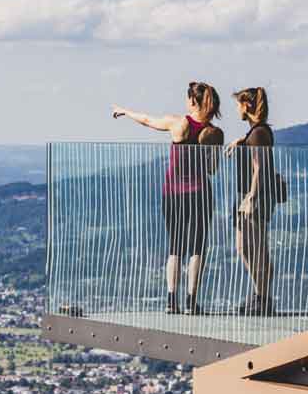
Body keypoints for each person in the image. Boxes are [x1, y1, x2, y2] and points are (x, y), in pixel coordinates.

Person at [111, 82, 222, 314]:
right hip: (200, 193)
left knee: (175, 247)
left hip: (173, 194)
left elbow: (147, 120)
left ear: (192, 101)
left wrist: (125, 111)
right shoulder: (213, 132)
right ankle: (192, 302)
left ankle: (172, 301)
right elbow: (212, 169)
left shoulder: (178, 123)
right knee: (197, 248)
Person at [231, 86, 277, 315]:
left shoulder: (259, 133)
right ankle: (261, 294)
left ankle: (263, 297)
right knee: (247, 247)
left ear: (246, 105)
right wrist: (241, 141)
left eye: (239, 104)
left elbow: (259, 168)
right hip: (252, 195)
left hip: (255, 196)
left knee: (255, 248)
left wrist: (251, 197)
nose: (237, 110)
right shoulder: (257, 132)